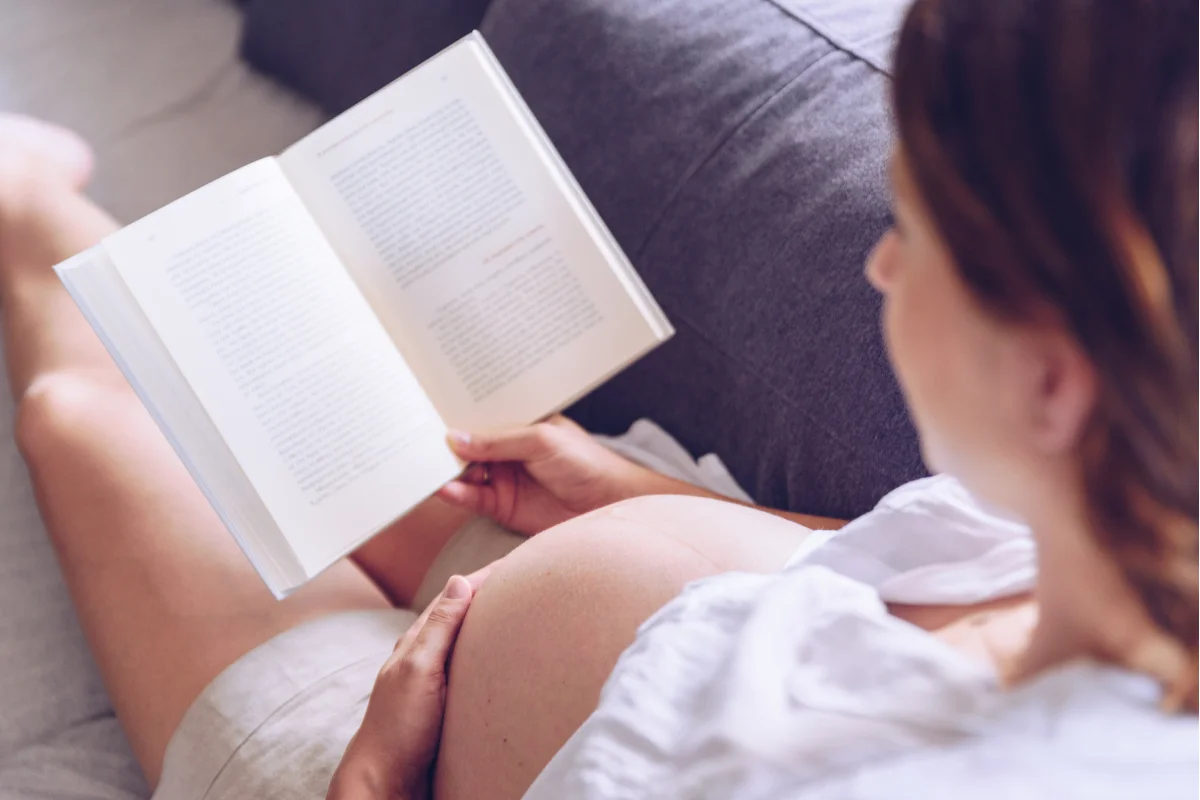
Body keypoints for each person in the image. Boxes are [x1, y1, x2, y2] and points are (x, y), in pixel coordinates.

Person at [0, 0, 1193, 798]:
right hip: (612, 592)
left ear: (1050, 377)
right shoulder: (1138, 527)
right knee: (280, 404)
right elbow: (957, 590)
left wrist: (364, 777)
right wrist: (640, 496)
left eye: (915, 232)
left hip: (374, 744)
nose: (881, 263)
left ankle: (20, 203)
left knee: (83, 406)